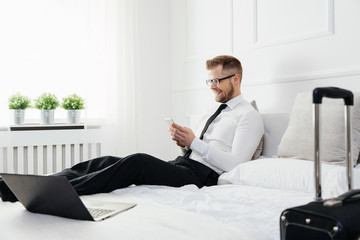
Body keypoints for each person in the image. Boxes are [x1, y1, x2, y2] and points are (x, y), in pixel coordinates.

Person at [0, 55, 264, 202]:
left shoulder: (248, 116)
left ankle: (55, 195)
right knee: (107, 160)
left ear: (236, 78)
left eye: (216, 80)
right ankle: (33, 186)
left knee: (136, 162)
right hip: (184, 164)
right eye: (209, 81)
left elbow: (235, 163)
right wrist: (184, 142)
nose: (212, 86)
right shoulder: (212, 109)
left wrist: (194, 143)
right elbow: (199, 147)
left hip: (203, 178)